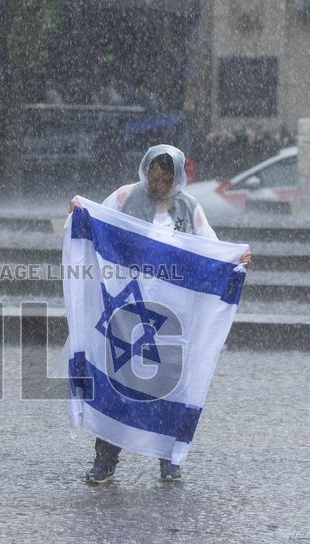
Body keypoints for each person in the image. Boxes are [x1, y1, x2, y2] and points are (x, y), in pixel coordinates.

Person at [72, 144, 250, 484]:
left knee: (169, 385)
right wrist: (79, 212)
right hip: (129, 305)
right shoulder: (125, 196)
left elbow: (208, 247)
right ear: (146, 171)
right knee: (121, 381)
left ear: (177, 177)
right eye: (155, 175)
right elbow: (98, 220)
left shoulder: (190, 208)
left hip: (172, 315)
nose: (159, 183)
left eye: (166, 177)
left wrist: (234, 260)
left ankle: (169, 458)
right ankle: (106, 457)